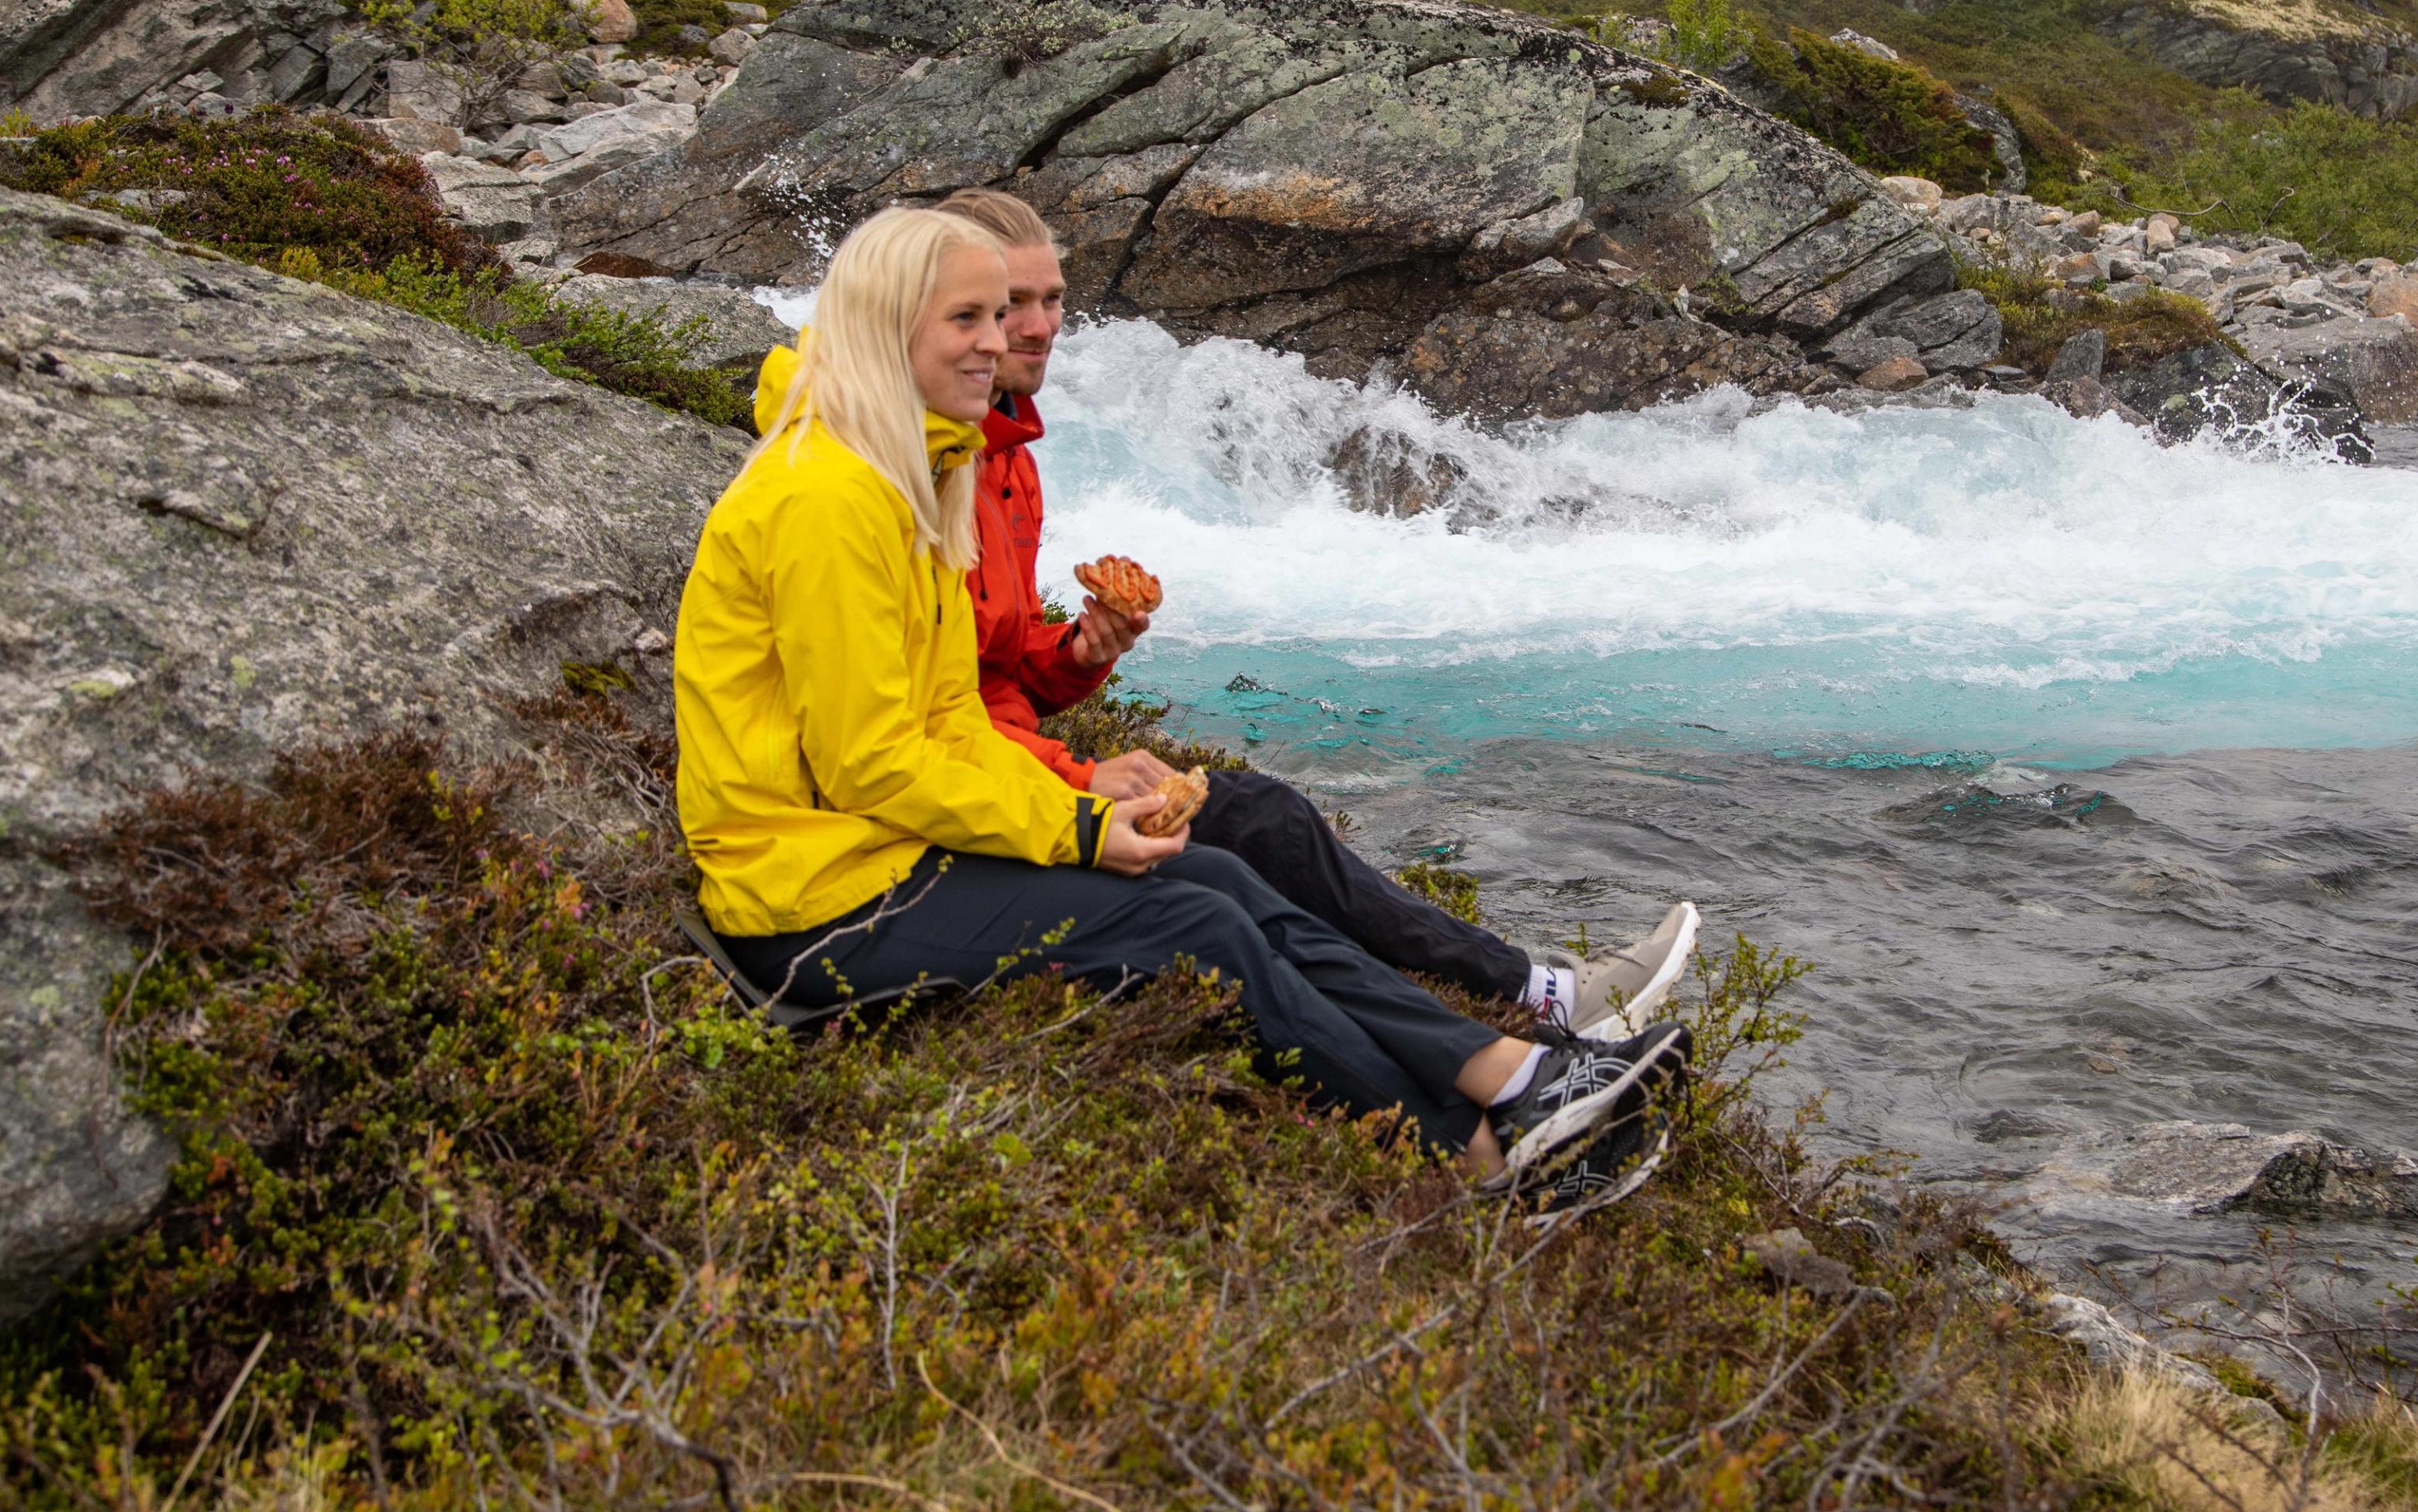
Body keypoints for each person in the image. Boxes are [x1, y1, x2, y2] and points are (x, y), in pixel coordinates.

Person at [677, 206, 1686, 1216]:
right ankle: (1481, 1162)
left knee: (1212, 870)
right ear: (884, 326)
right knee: (1196, 923)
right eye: (970, 318)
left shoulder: (910, 477)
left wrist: (1074, 801)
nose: (999, 340)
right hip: (814, 909)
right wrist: (1075, 820)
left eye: (1014, 311)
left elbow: (948, 723)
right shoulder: (828, 498)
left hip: (880, 857)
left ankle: (1516, 1074)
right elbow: (872, 765)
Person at [926, 187, 1700, 1038]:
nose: (1035, 327)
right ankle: (1516, 1026)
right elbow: (925, 721)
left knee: (1265, 817)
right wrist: (1075, 783)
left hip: (1007, 771)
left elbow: (996, 677)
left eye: (1052, 300)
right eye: (1006, 307)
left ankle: (1530, 1000)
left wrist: (1078, 652)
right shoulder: (924, 475)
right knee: (1233, 860)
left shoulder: (1004, 456)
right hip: (979, 800)